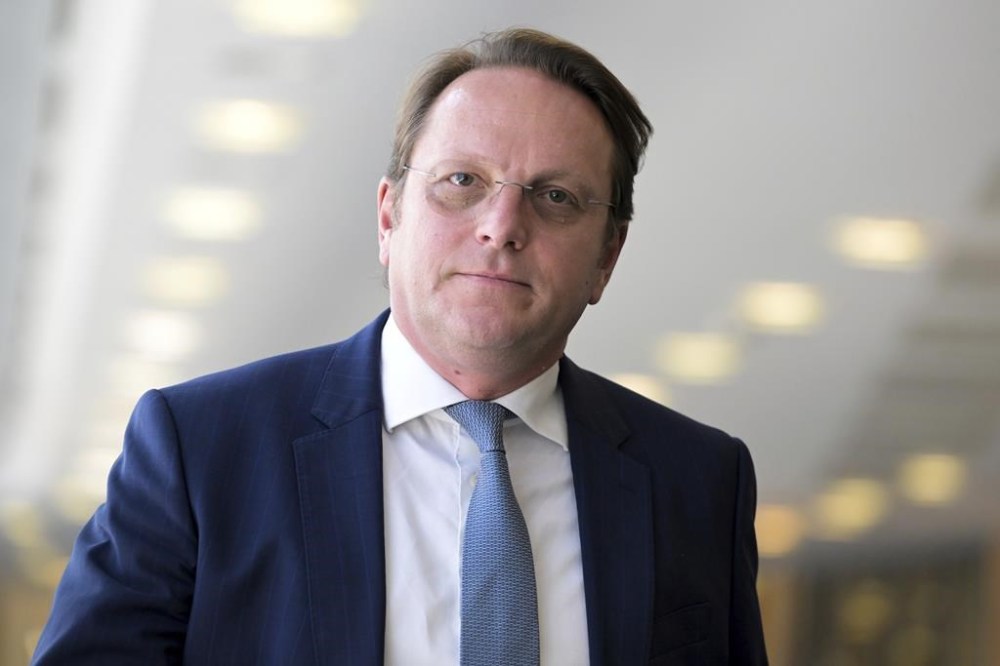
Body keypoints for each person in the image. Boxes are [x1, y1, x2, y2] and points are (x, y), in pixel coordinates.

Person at [33, 28, 767, 665]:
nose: (501, 226)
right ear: (389, 218)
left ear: (607, 256)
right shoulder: (200, 450)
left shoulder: (699, 482)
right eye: (461, 181)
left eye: (555, 197)